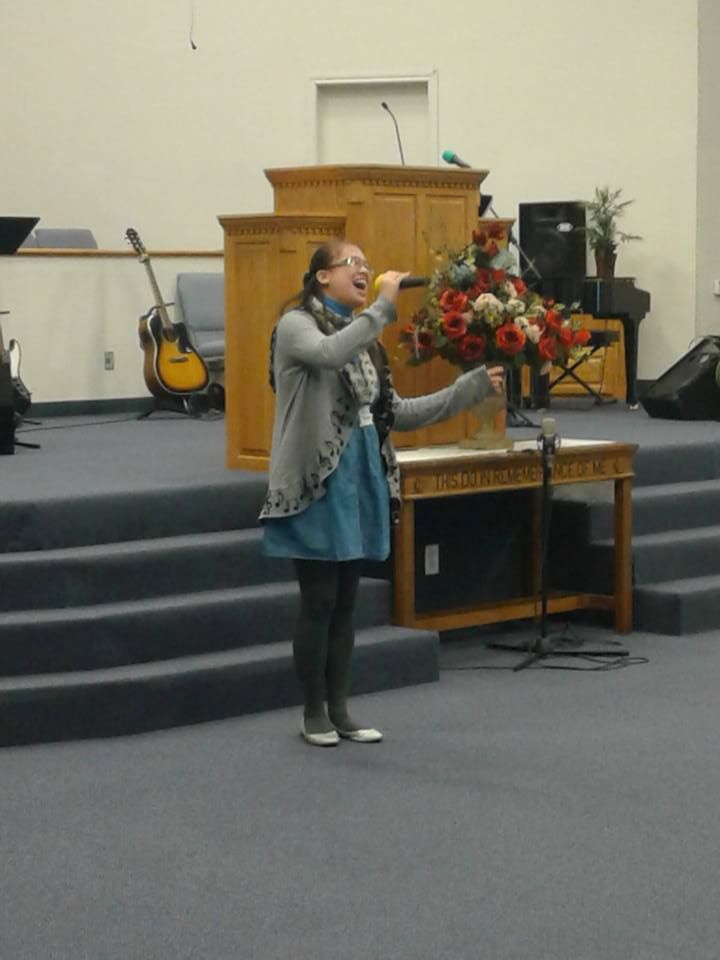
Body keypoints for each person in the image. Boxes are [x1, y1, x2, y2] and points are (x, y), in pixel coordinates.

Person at [260, 239, 505, 747]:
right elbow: (328, 353)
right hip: (317, 478)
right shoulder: (296, 326)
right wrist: (382, 307)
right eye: (353, 263)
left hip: (363, 473)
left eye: (367, 265)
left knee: (347, 601)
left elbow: (397, 413)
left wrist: (469, 389)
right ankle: (312, 712)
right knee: (319, 599)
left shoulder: (367, 343)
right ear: (322, 276)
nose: (364, 270)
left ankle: (341, 709)